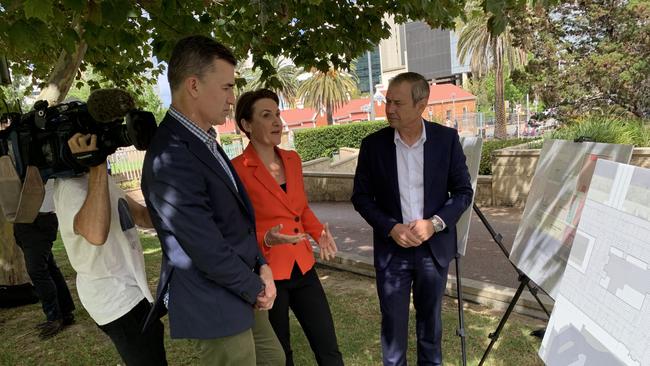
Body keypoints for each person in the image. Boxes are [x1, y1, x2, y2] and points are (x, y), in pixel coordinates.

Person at [141, 35, 284, 366]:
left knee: (273, 359)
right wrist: (257, 287)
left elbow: (235, 222)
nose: (233, 99)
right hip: (215, 301)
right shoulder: (171, 155)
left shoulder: (203, 139)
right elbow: (204, 246)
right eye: (226, 87)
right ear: (193, 85)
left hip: (242, 284)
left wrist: (262, 265)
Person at [351, 72, 473, 366]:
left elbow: (462, 192)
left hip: (433, 252)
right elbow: (361, 197)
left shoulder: (446, 140)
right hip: (393, 253)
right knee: (393, 330)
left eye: (398, 103)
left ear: (421, 105)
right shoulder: (373, 146)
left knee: (430, 329)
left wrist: (434, 224)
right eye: (387, 102)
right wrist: (390, 227)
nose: (389, 109)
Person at [232, 89, 343, 366]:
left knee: (328, 346)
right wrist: (265, 239)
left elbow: (301, 209)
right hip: (268, 274)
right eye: (266, 115)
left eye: (278, 114)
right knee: (280, 354)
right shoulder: (237, 169)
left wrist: (318, 233)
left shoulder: (292, 159)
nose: (276, 122)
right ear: (246, 125)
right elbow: (235, 228)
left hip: (303, 265)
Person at [53, 133, 166, 365]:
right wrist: (96, 165)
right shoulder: (69, 188)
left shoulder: (96, 179)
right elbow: (95, 233)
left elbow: (143, 217)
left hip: (132, 289)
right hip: (114, 298)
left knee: (153, 343)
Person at [13, 179, 75, 339]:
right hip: (25, 220)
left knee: (37, 270)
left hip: (38, 219)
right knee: (48, 267)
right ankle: (65, 312)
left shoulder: (33, 165)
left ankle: (54, 316)